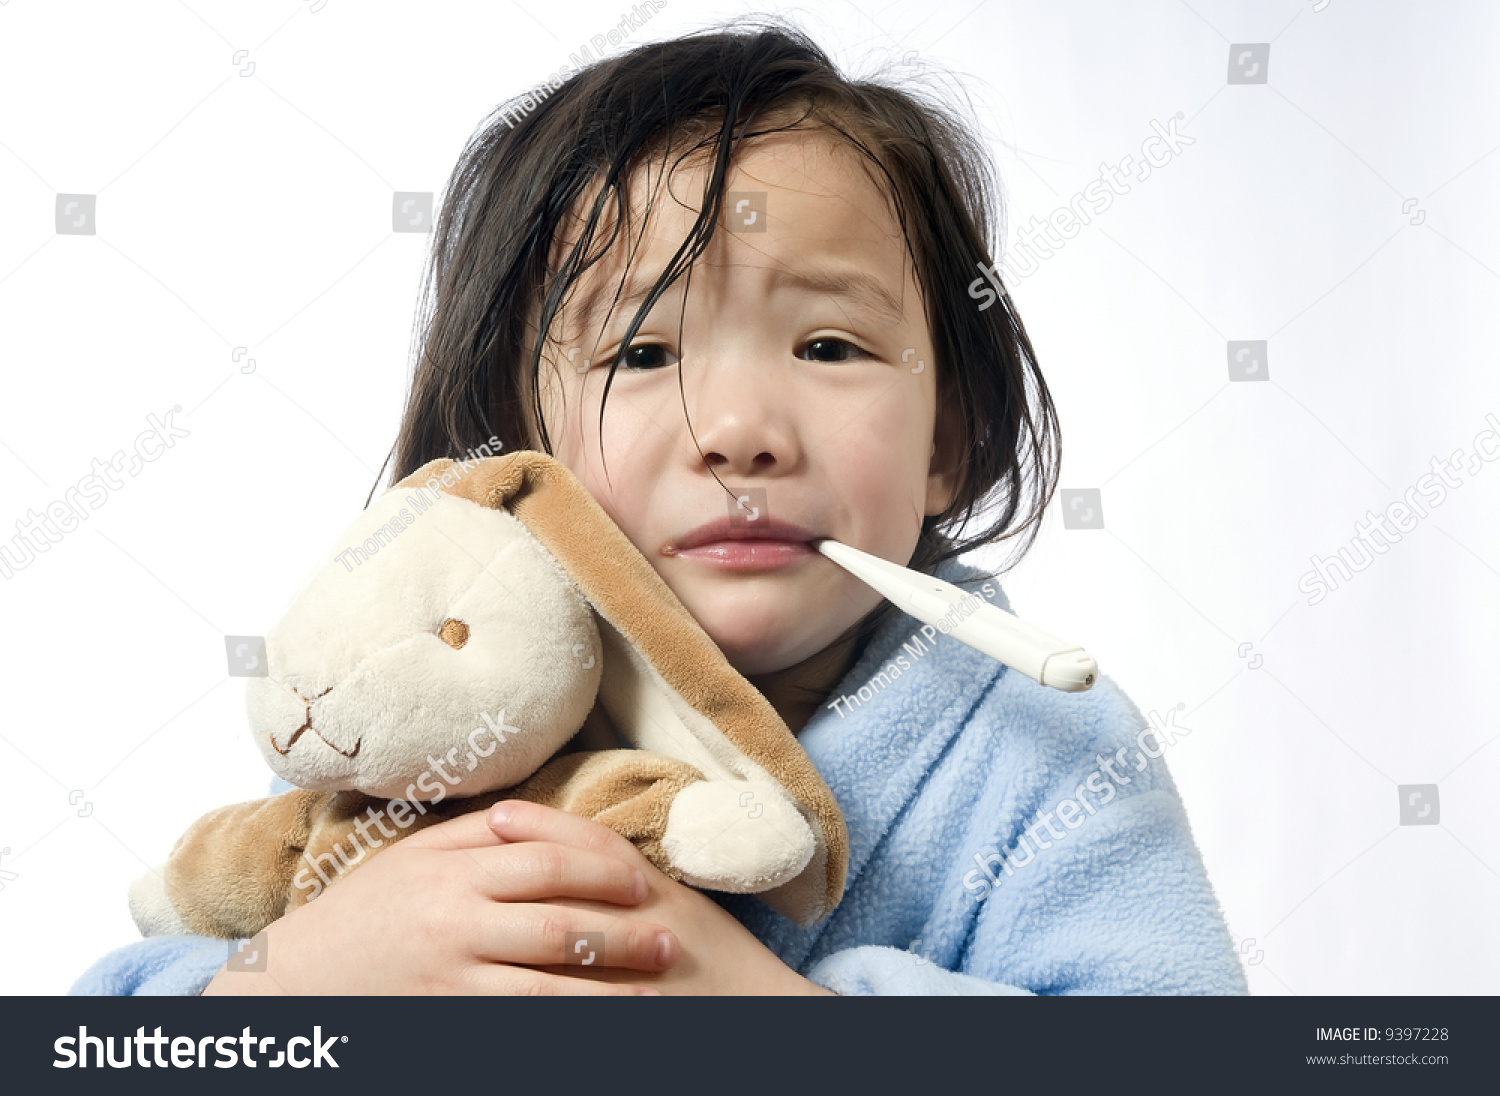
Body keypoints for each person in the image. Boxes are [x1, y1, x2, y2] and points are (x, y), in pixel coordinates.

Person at [71, 19, 1246, 996]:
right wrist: (293, 977)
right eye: (640, 353)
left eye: (830, 344)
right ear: (515, 449)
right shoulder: (440, 695)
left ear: (948, 443)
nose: (738, 427)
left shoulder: (1035, 754)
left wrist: (763, 1005)